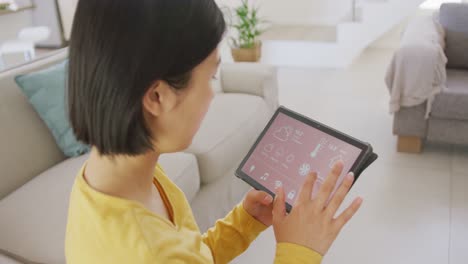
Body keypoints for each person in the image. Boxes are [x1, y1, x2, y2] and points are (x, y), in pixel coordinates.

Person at [65, 0, 363, 263]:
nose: (211, 95)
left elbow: (189, 256)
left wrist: (243, 223)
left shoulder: (113, 180)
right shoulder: (144, 253)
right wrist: (300, 251)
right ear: (157, 97)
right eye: (211, 77)